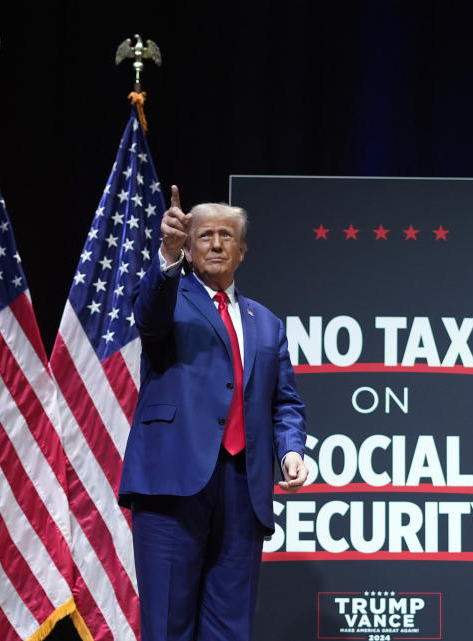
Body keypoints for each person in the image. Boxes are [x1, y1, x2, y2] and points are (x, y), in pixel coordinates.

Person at [118, 185, 308, 641]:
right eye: (204, 236)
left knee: (230, 630)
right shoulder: (169, 298)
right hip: (173, 483)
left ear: (242, 251)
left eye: (227, 236)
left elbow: (285, 402)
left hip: (244, 490)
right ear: (186, 246)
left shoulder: (267, 323)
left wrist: (291, 451)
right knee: (167, 626)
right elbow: (148, 315)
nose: (217, 244)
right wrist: (164, 255)